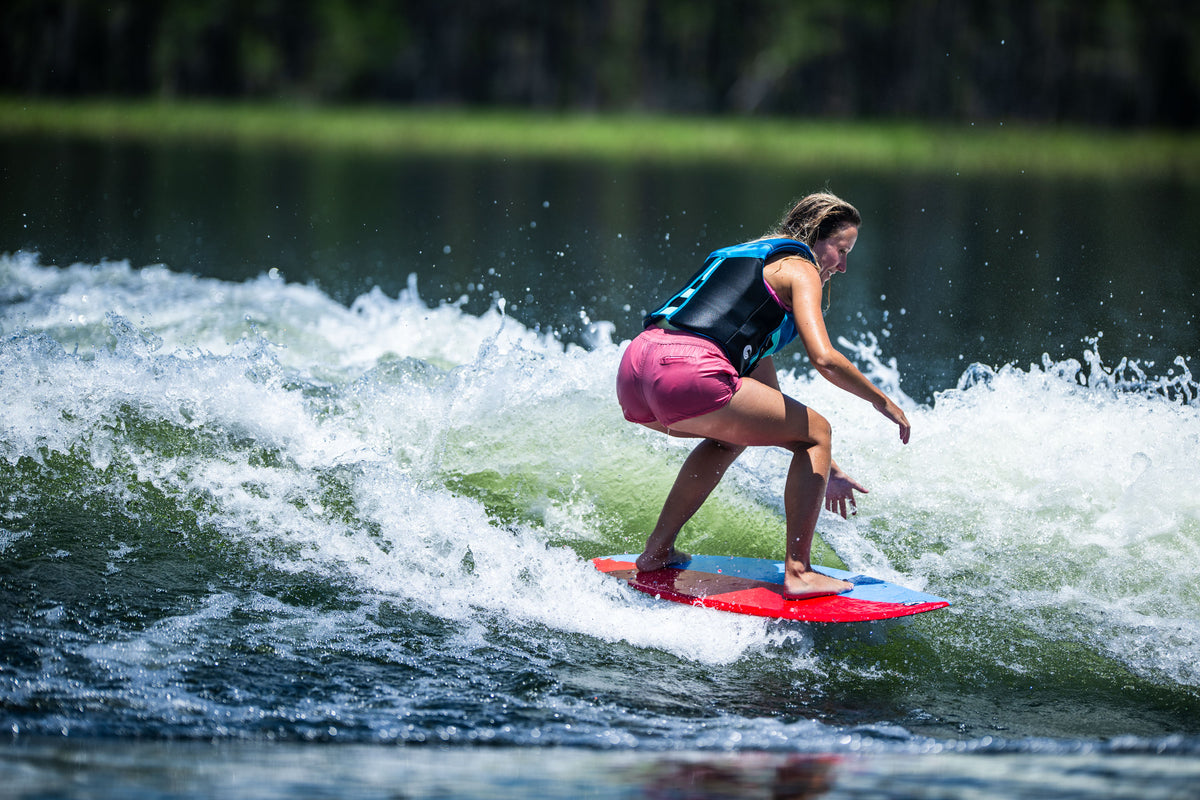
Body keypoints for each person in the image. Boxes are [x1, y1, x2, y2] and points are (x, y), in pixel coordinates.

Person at [616, 192, 911, 599]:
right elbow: (824, 358)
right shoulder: (799, 266)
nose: (842, 266)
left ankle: (657, 551)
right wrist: (883, 400)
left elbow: (771, 409)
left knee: (732, 437)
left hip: (636, 369)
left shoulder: (747, 265)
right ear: (813, 236)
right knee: (820, 429)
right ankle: (799, 572)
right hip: (690, 371)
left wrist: (829, 465)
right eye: (840, 251)